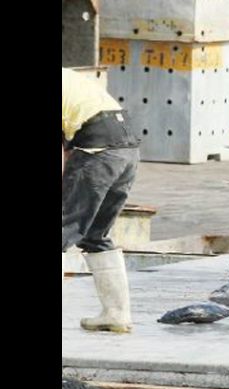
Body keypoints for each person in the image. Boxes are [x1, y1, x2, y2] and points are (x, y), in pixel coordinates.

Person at [62, 67, 140, 333]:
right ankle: (116, 313)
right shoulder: (68, 77)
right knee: (95, 234)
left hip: (97, 150)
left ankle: (115, 313)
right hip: (127, 150)